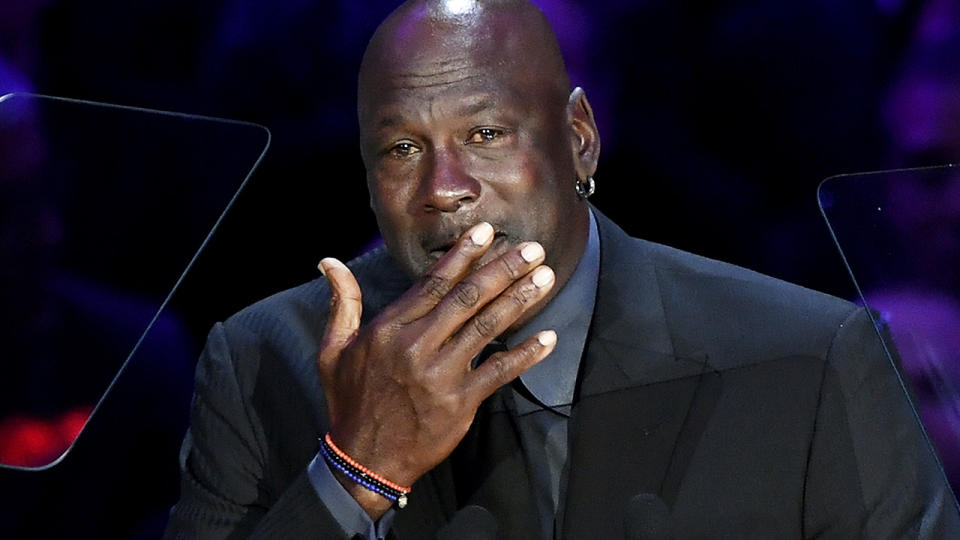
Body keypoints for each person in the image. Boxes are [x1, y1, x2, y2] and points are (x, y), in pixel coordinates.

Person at [164, 0, 960, 537]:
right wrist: (356, 471)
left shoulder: (812, 359)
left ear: (580, 138)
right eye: (402, 149)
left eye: (487, 135)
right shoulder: (260, 357)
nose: (445, 190)